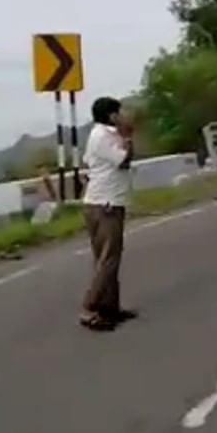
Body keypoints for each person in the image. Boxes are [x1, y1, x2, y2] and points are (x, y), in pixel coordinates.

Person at [78, 96, 137, 331]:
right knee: (109, 259)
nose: (122, 115)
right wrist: (128, 138)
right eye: (119, 112)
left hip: (100, 201)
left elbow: (88, 164)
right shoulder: (102, 136)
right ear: (111, 115)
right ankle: (89, 307)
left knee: (105, 258)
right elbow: (123, 162)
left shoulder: (104, 135)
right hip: (106, 204)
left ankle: (110, 308)